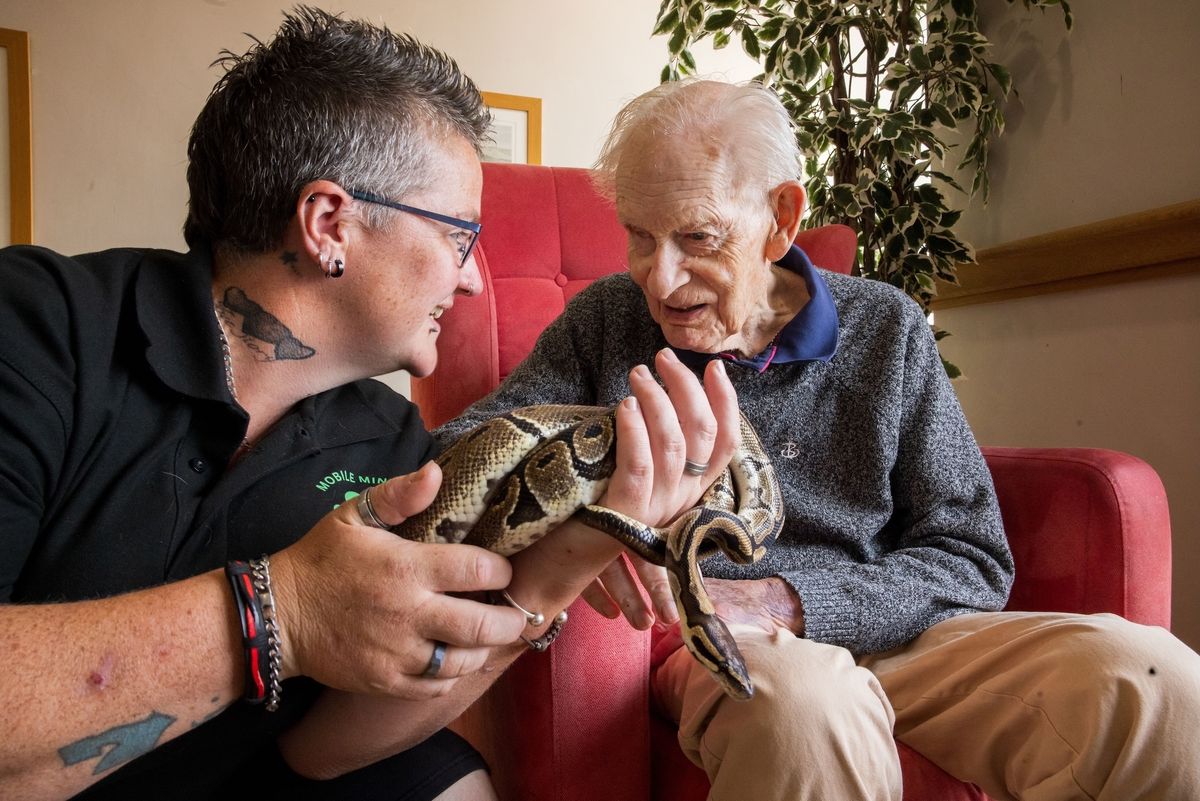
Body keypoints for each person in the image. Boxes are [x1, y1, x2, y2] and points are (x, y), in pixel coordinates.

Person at [0, 10, 741, 801]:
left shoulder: (393, 446)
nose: (472, 280)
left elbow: (327, 751)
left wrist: (563, 564)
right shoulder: (38, 324)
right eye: (460, 237)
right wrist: (280, 607)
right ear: (330, 224)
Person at [436, 79, 1200, 800]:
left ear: (782, 218)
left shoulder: (886, 327)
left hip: (899, 636)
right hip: (710, 650)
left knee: (1153, 681)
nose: (658, 279)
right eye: (639, 235)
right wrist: (578, 523)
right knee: (806, 708)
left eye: (697, 236)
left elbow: (970, 555)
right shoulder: (607, 319)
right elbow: (461, 452)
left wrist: (786, 599)